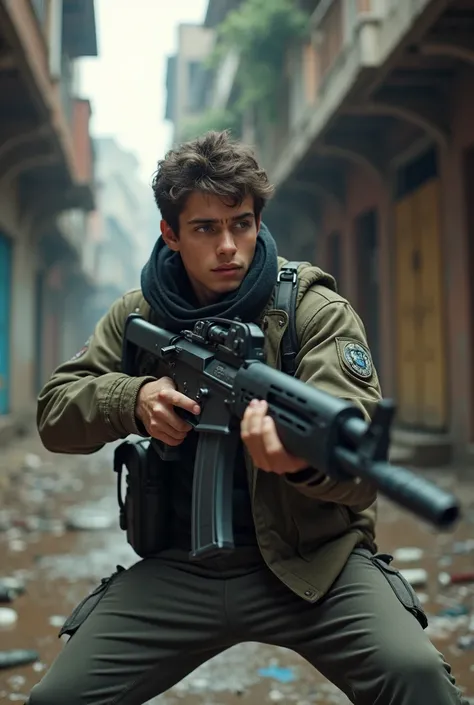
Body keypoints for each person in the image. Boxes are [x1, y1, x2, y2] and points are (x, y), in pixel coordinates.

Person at [29, 131, 465, 705]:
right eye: (206, 228)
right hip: (180, 567)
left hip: (312, 565)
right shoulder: (137, 314)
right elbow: (55, 411)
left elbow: (356, 462)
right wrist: (131, 398)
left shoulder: (311, 308)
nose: (229, 245)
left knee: (419, 678)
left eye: (241, 222)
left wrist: (295, 462)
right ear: (171, 234)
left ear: (259, 220)